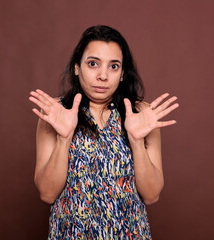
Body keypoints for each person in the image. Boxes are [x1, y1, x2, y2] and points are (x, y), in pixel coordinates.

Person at [29, 25, 179, 239]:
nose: (102, 76)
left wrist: (136, 141)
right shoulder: (55, 113)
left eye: (113, 66)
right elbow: (47, 193)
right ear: (76, 67)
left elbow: (152, 195)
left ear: (122, 74)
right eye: (93, 64)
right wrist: (64, 138)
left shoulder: (142, 115)